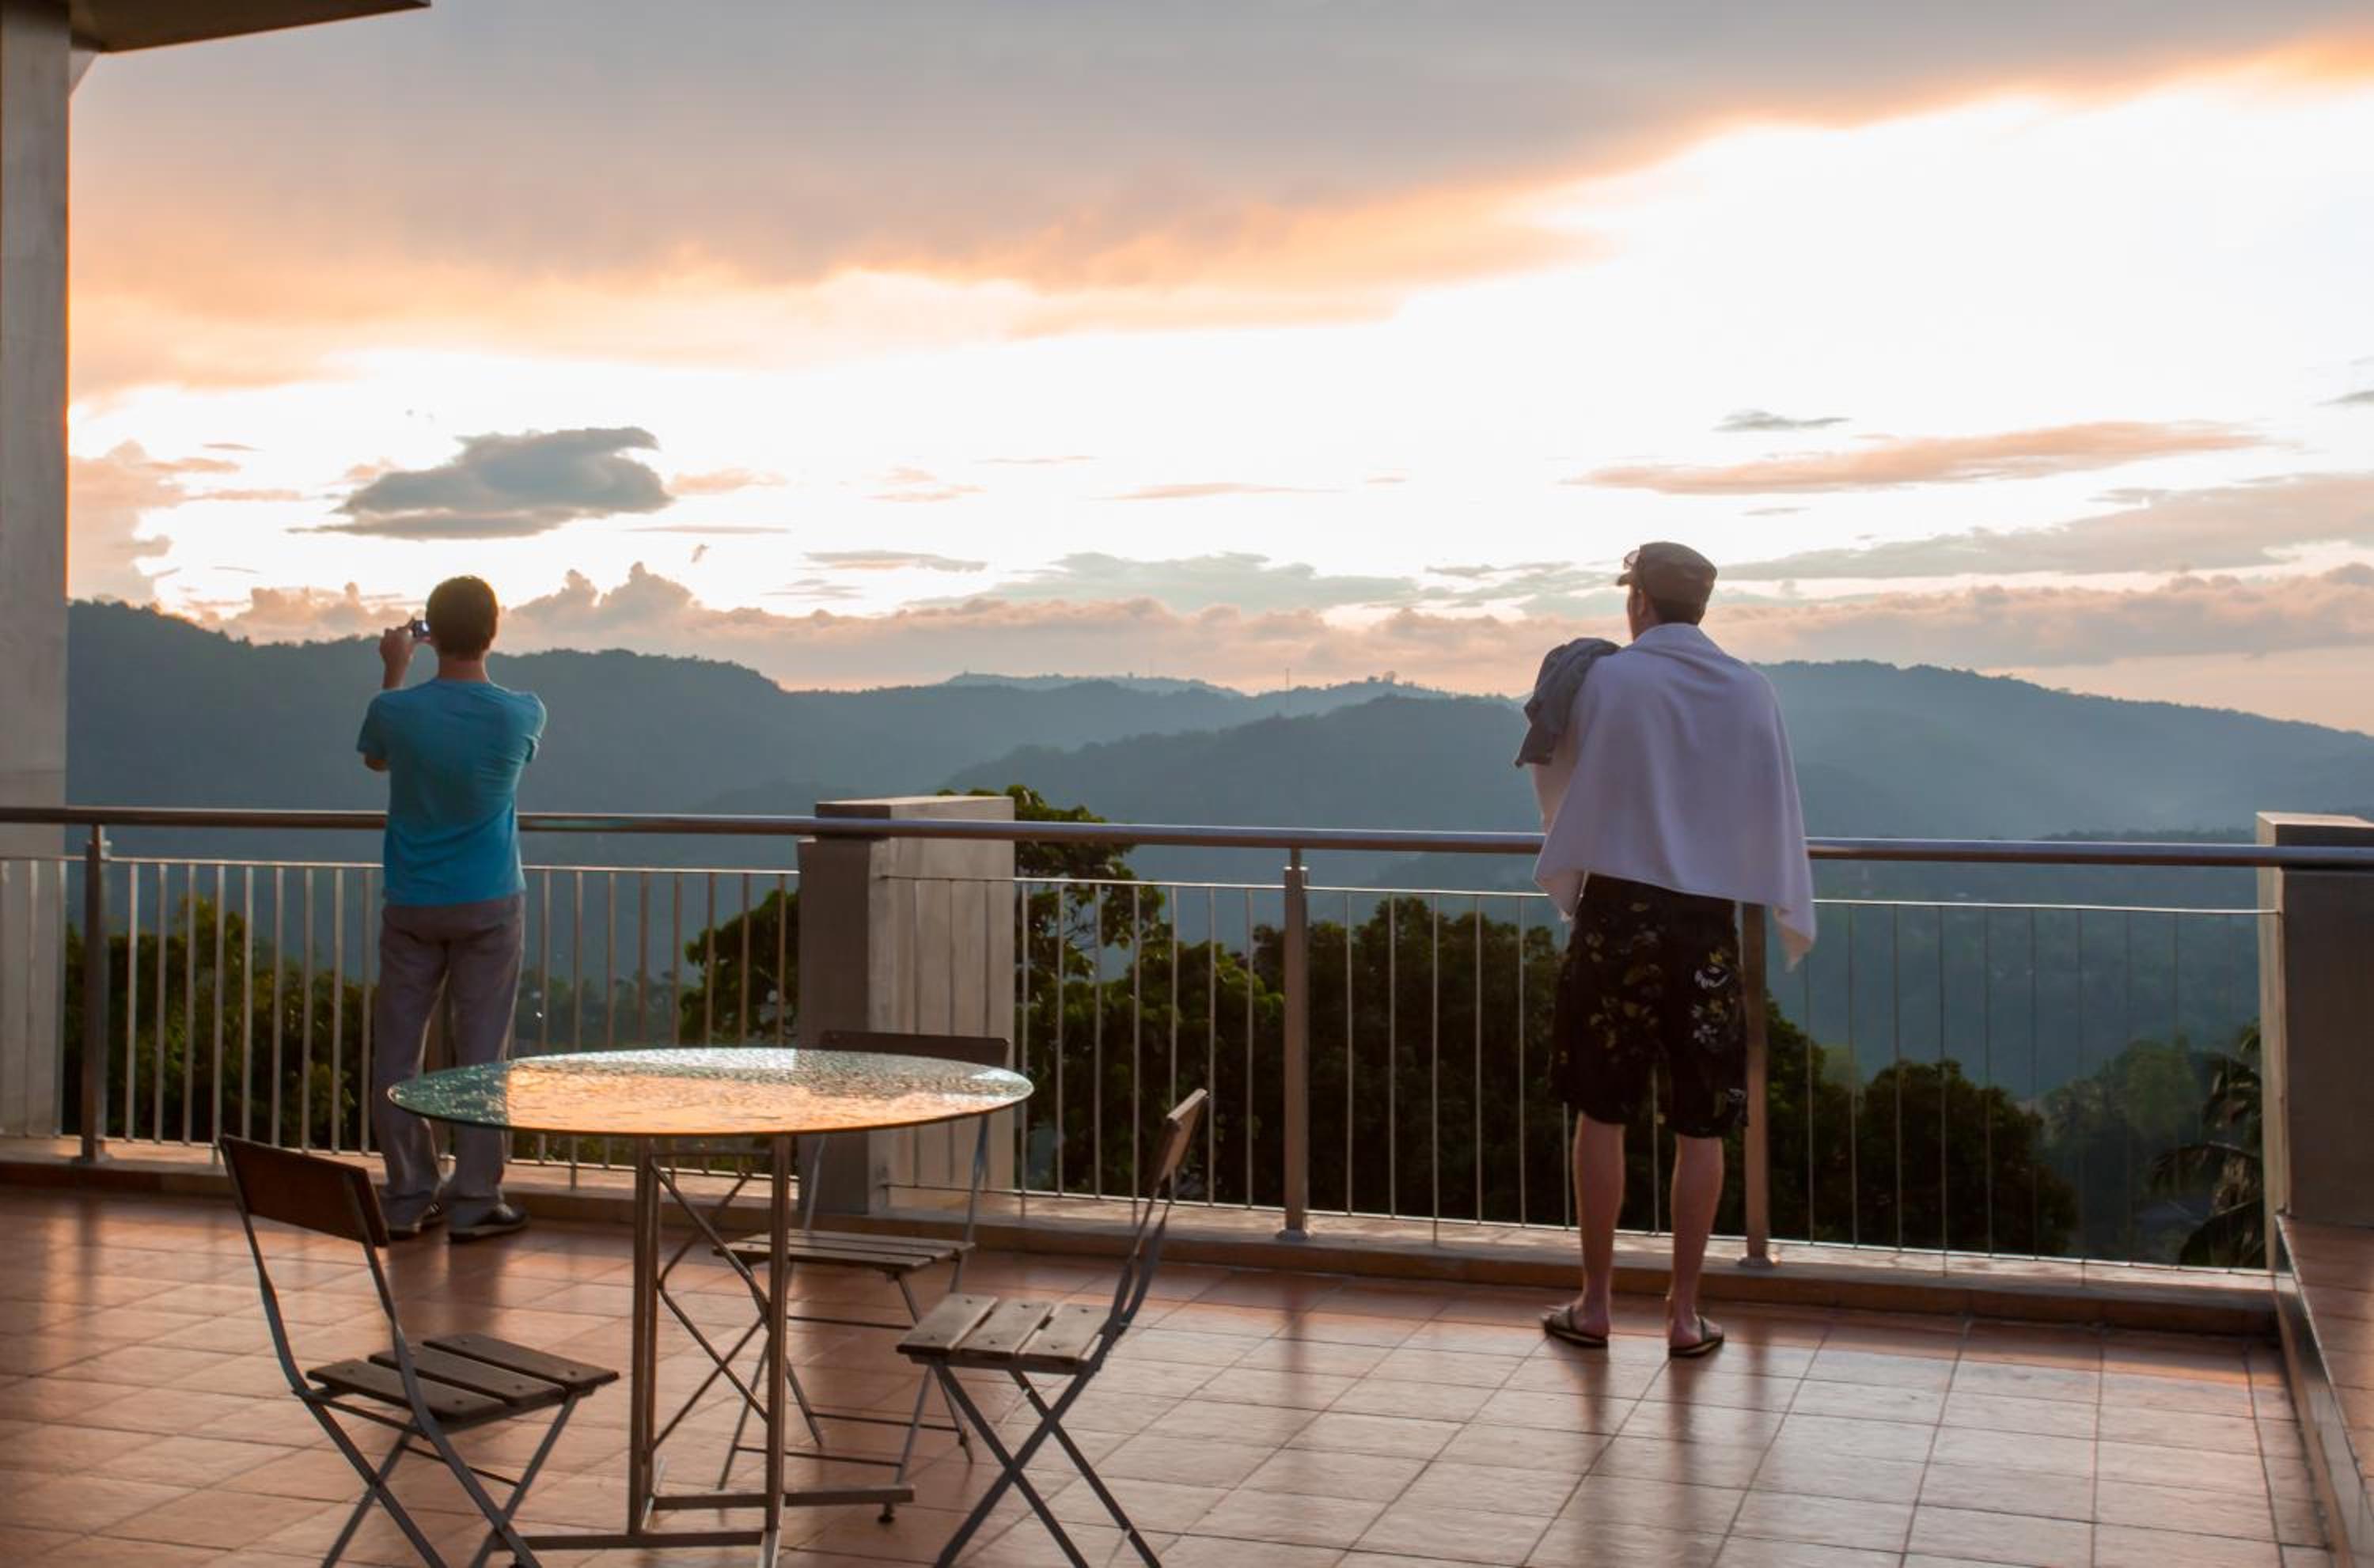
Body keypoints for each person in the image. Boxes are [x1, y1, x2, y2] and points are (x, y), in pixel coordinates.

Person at [1526, 542, 1815, 1358]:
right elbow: (1771, 801)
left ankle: (1595, 1304)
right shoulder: (1750, 689)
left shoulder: (1607, 680)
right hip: (1704, 925)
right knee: (1702, 1123)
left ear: (1641, 602)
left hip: (1618, 916)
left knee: (1601, 1111)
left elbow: (1562, 771)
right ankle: (1684, 1314)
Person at [358, 576, 546, 1241]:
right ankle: (475, 1199)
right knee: (484, 1052)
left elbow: (376, 759)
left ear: (430, 633)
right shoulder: (522, 713)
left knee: (398, 1054)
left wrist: (395, 667)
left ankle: (409, 1195)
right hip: (490, 900)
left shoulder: (396, 711)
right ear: (493, 631)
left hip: (413, 901)